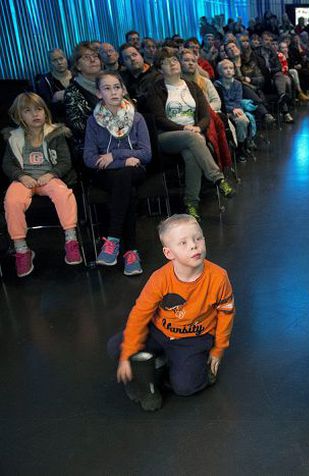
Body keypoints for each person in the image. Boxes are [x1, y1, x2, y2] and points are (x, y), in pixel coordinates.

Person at [107, 214, 235, 411]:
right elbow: (139, 315)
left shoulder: (219, 277)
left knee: (185, 387)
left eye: (198, 238)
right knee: (117, 345)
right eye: (183, 243)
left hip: (195, 338)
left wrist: (218, 350)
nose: (193, 246)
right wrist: (128, 353)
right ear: (169, 253)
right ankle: (145, 379)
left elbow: (226, 314)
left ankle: (168, 366)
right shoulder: (159, 279)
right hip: (159, 332)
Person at [146, 48, 233, 221]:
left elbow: (205, 115)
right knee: (193, 139)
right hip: (167, 136)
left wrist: (198, 128)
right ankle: (217, 178)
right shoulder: (155, 90)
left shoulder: (191, 86)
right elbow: (159, 119)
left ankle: (191, 203)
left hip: (193, 136)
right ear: (159, 69)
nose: (172, 64)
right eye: (166, 62)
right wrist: (184, 129)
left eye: (174, 60)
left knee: (191, 156)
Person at [2, 93, 82, 277]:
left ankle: (71, 240)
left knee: (63, 194)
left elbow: (65, 161)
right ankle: (22, 249)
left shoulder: (55, 133)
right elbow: (7, 164)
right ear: (19, 116)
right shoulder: (13, 138)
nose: (35, 114)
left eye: (38, 109)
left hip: (48, 177)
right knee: (12, 200)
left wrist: (52, 174)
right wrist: (21, 176)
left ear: (45, 112)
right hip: (24, 179)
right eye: (28, 111)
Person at [83, 72, 151, 275]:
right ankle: (131, 252)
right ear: (98, 93)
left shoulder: (137, 118)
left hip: (134, 170)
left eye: (116, 87)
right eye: (107, 88)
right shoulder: (93, 122)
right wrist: (125, 160)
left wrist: (114, 155)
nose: (113, 92)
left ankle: (112, 240)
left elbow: (146, 154)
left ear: (123, 90)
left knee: (125, 178)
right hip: (109, 174)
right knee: (126, 187)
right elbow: (89, 159)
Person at [64, 42, 103, 153]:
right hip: (93, 148)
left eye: (95, 56)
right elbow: (80, 128)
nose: (92, 60)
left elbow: (130, 110)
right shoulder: (72, 92)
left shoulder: (112, 82)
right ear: (77, 65)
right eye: (86, 57)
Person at [35, 48, 72, 121]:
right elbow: (43, 107)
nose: (59, 62)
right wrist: (54, 100)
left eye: (61, 58)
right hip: (58, 120)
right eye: (54, 60)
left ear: (66, 59)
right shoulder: (44, 81)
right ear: (49, 63)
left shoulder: (77, 76)